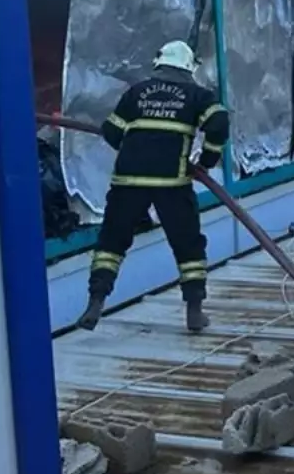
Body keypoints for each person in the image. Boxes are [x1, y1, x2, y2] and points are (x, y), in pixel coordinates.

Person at [78, 40, 230, 334]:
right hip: (171, 183)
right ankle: (194, 311)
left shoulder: (136, 92)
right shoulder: (197, 95)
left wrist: (137, 149)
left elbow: (111, 131)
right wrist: (207, 160)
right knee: (187, 244)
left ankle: (95, 302)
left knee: (111, 243)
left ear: (160, 64)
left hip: (128, 181)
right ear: (188, 67)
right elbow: (219, 122)